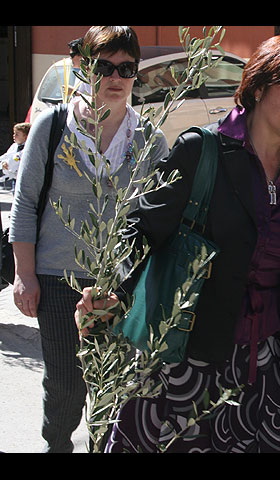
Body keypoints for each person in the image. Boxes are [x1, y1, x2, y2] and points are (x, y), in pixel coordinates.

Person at [75, 32, 280, 453]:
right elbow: (140, 234)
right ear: (257, 85)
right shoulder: (201, 151)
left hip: (267, 372)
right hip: (184, 366)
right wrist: (108, 292)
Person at [9, 26, 169, 453]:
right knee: (65, 382)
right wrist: (25, 275)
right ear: (84, 67)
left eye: (126, 68)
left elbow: (157, 220)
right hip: (58, 279)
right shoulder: (52, 126)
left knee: (114, 382)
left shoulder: (149, 141)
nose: (116, 77)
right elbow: (24, 205)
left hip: (119, 285)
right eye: (104, 66)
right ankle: (56, 445)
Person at [1, 122, 31, 192]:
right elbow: (7, 155)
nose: (14, 136)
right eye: (14, 133)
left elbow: (17, 158)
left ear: (26, 137)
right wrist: (4, 162)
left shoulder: (28, 148)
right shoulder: (14, 146)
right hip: (14, 177)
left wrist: (8, 163)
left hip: (25, 179)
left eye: (17, 134)